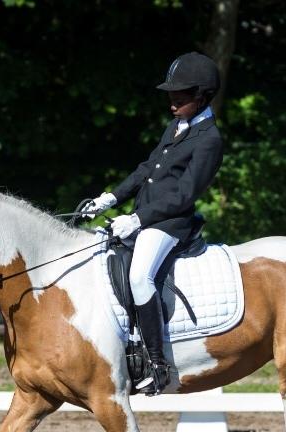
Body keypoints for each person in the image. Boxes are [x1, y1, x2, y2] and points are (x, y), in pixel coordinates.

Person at [80, 52, 224, 395]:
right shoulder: (175, 126)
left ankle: (157, 363)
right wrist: (110, 198)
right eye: (171, 97)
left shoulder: (210, 139)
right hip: (145, 216)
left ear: (202, 96)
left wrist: (137, 219)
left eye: (180, 97)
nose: (172, 104)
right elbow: (147, 169)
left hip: (171, 223)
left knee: (139, 277)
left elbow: (185, 195)